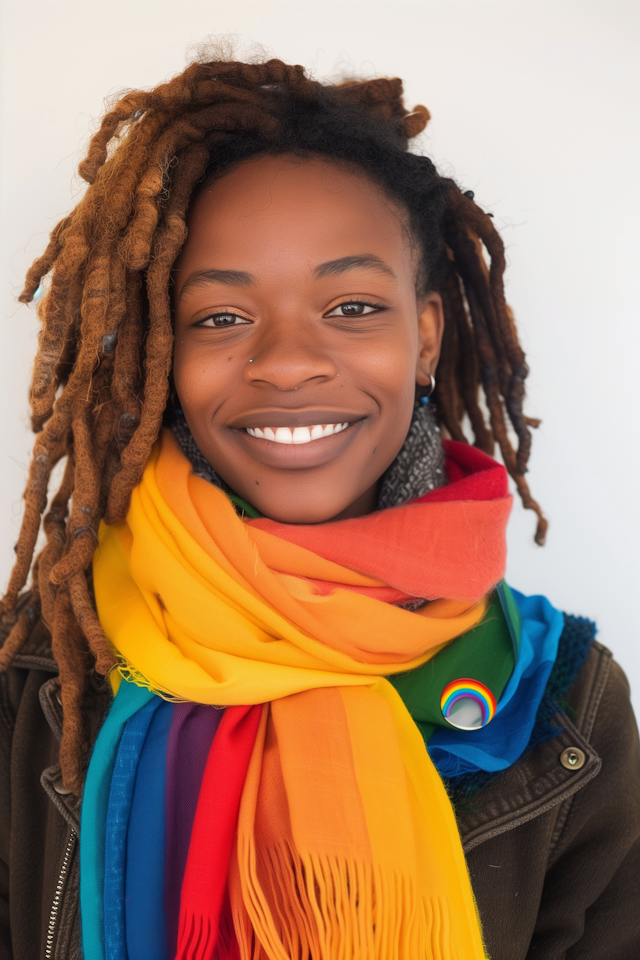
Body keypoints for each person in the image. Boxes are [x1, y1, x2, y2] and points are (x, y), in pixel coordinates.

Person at [0, 53, 638, 960]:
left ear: (424, 338)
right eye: (221, 319)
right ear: (159, 352)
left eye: (349, 306)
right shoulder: (38, 676)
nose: (288, 361)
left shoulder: (565, 699)